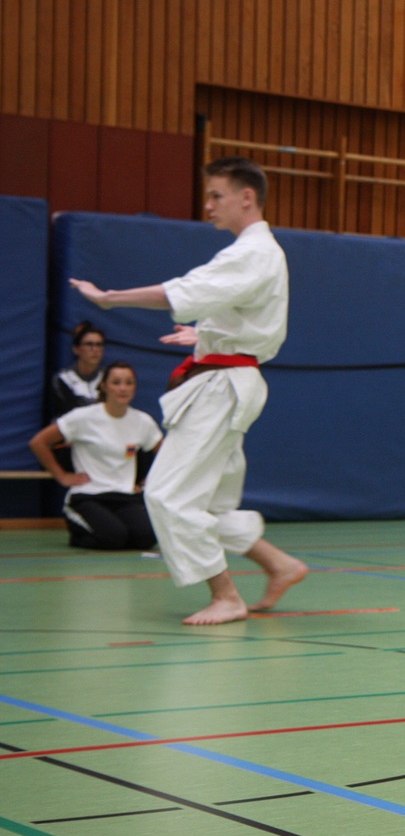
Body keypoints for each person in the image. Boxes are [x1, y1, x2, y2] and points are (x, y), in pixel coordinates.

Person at [68, 156, 309, 625]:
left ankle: (226, 596)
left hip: (222, 387)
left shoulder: (252, 252)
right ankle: (279, 564)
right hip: (228, 379)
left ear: (246, 197)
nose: (208, 206)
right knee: (208, 503)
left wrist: (110, 299)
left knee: (166, 494)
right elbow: (251, 320)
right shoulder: (258, 253)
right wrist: (206, 336)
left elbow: (182, 292)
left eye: (217, 196)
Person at [29, 361, 162, 550]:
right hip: (88, 496)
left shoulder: (143, 421)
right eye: (116, 382)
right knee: (112, 537)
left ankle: (115, 532)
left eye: (128, 382)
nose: (123, 388)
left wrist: (150, 481)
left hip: (124, 497)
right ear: (104, 386)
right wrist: (62, 476)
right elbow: (38, 442)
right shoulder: (83, 417)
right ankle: (80, 532)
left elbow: (166, 453)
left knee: (146, 537)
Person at [50, 321, 106, 417]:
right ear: (76, 349)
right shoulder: (63, 379)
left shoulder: (109, 378)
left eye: (99, 345)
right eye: (89, 344)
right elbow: (71, 413)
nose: (95, 350)